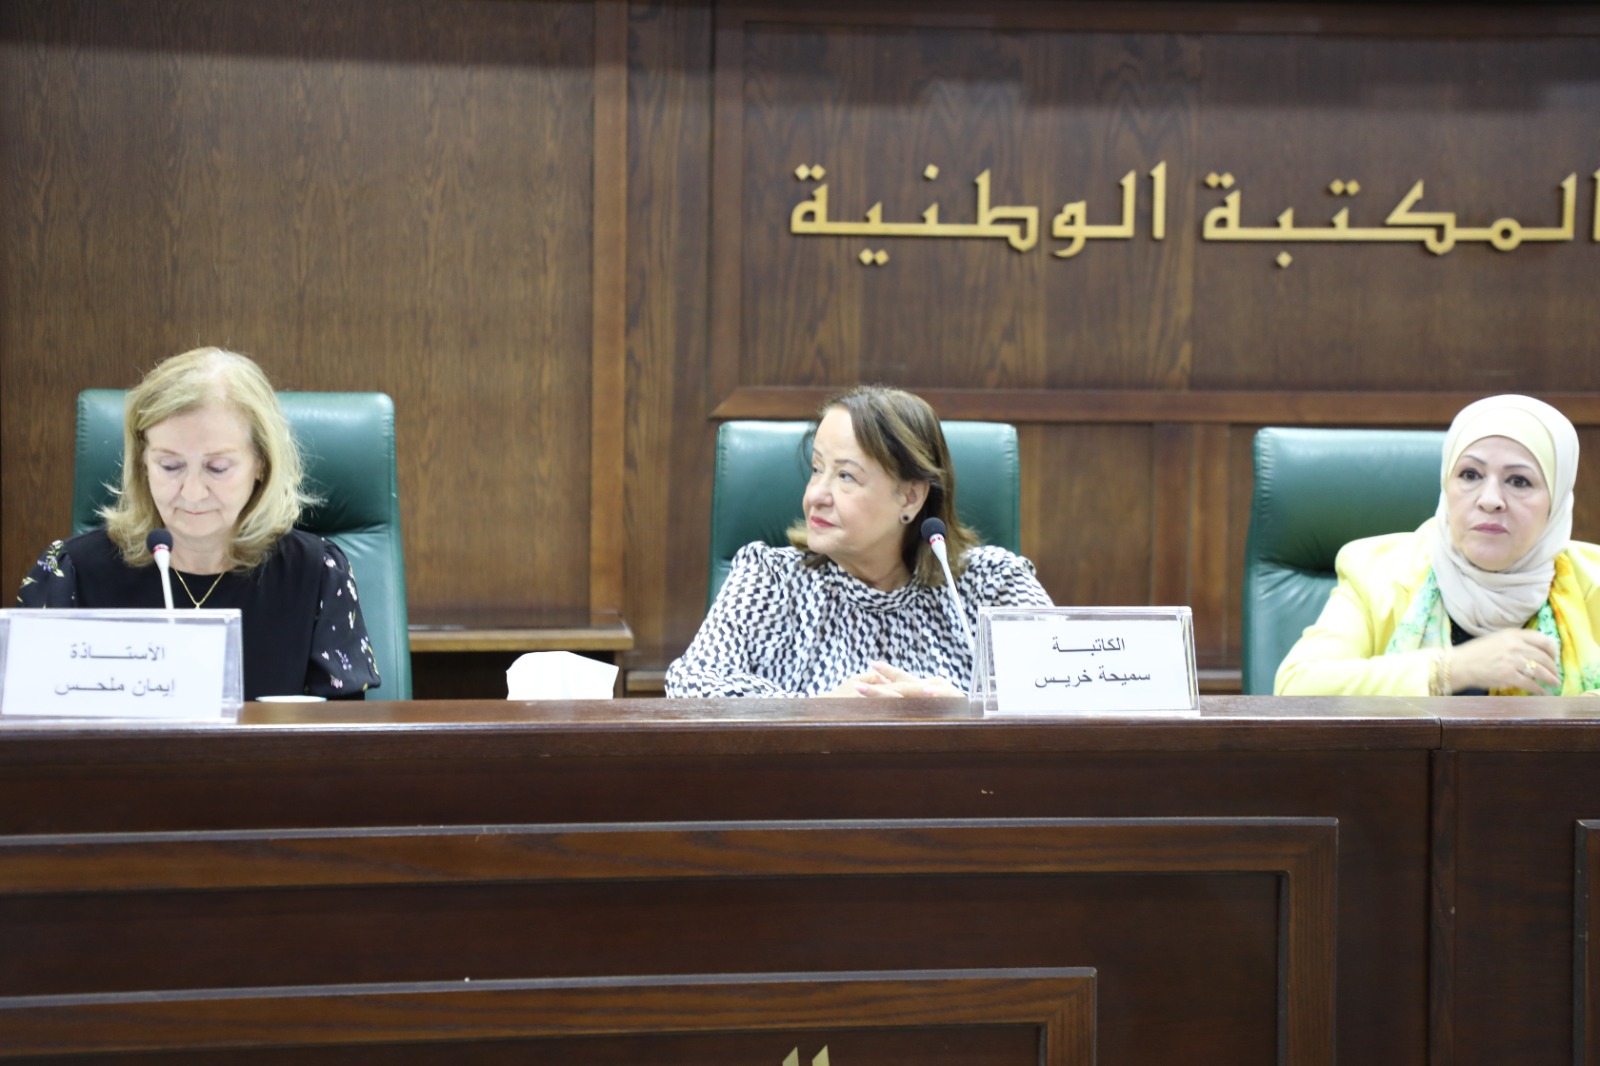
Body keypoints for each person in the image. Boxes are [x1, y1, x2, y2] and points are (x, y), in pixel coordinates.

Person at [15, 347, 381, 700]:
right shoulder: (71, 574)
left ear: (261, 463)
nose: (192, 492)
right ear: (143, 461)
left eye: (217, 468)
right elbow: (26, 724)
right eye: (170, 465)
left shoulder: (317, 575)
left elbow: (342, 734)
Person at [666, 385, 1053, 698]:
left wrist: (966, 711)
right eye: (816, 469)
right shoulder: (771, 578)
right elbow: (691, 685)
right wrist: (817, 712)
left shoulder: (991, 582)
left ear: (909, 497)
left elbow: (1068, 685)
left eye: (845, 476)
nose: (816, 495)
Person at [1276, 394, 1600, 696]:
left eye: (1519, 481)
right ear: (1446, 485)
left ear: (1556, 502)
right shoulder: (1376, 571)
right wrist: (1454, 668)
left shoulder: (1593, 582)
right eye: (1470, 475)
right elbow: (1297, 686)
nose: (1490, 500)